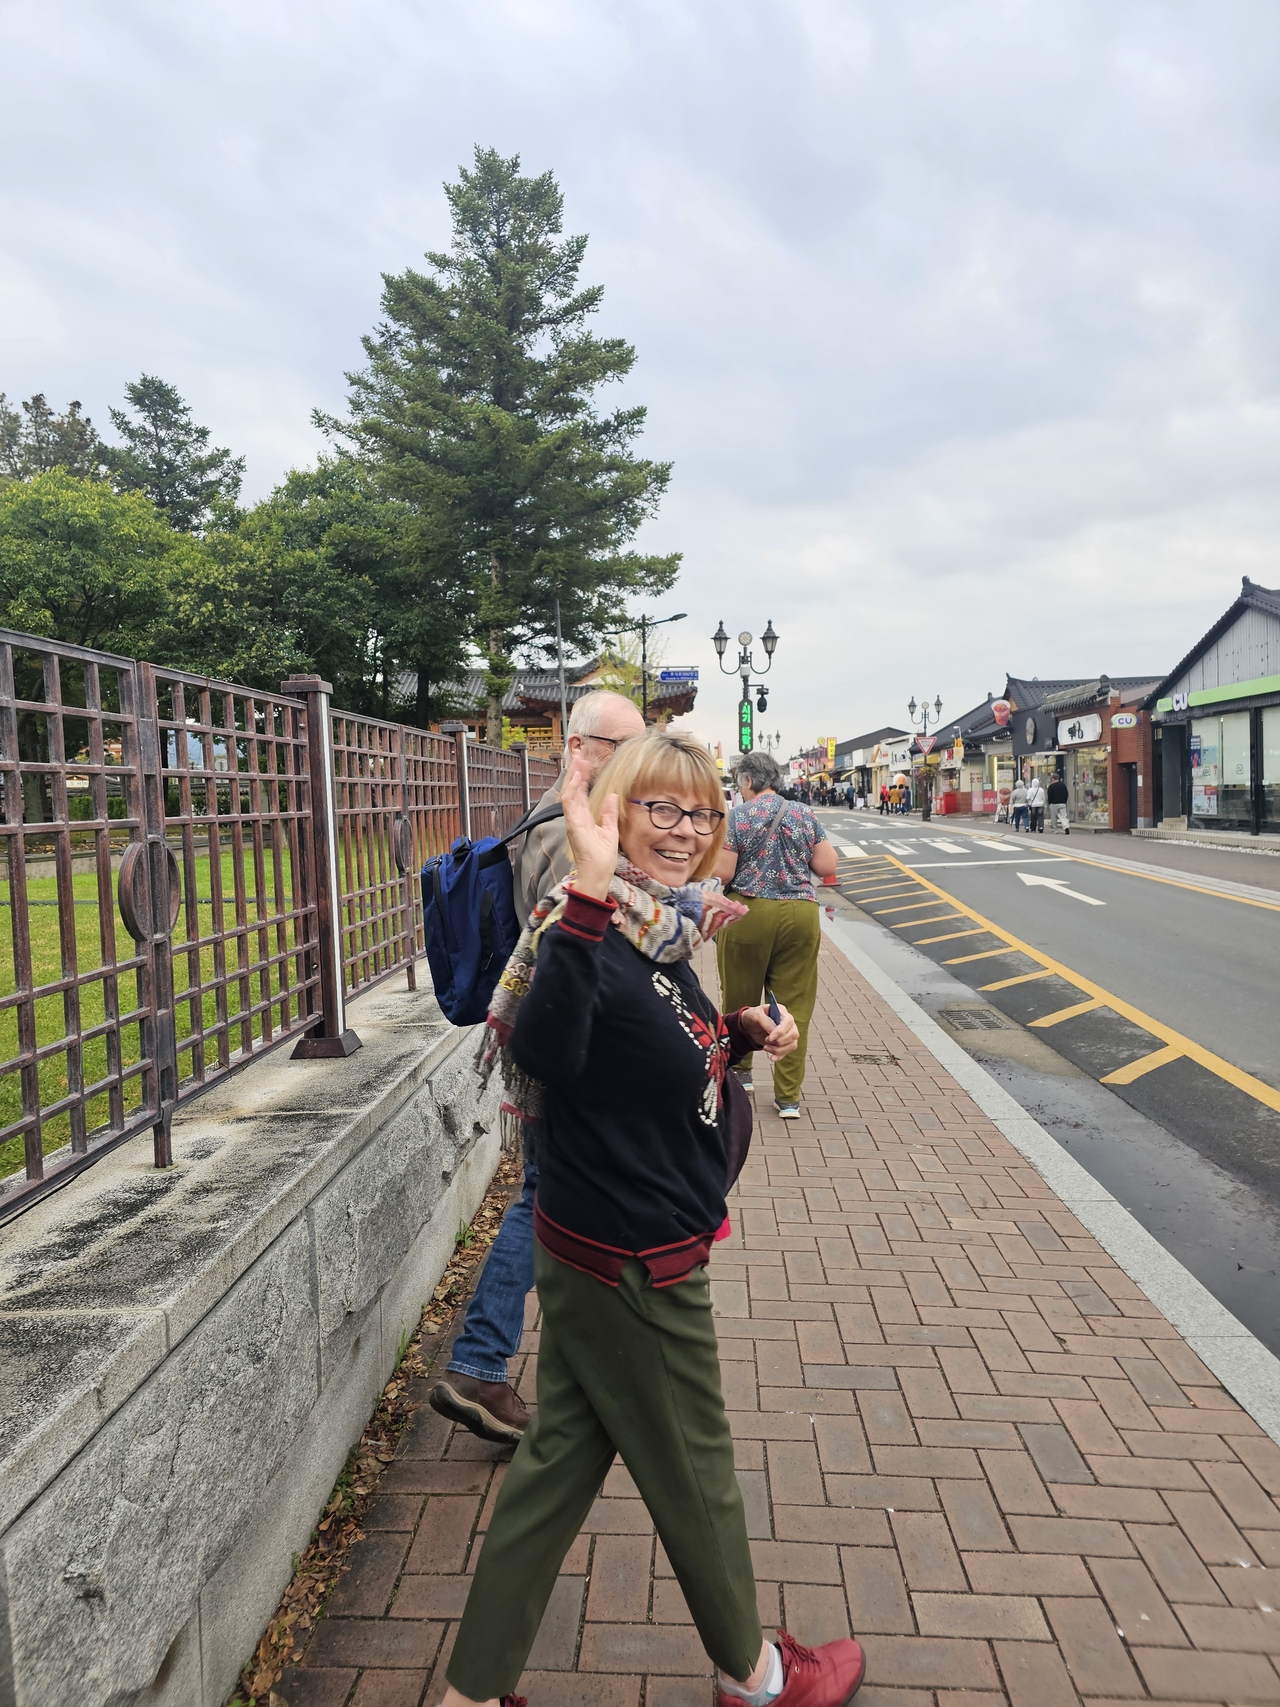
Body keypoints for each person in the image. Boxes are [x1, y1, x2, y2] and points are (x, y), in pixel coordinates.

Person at [441, 733, 865, 1707]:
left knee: (553, 1470)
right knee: (698, 1472)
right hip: (633, 1259)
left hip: (603, 1242)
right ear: (618, 813)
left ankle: (470, 1694)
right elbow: (550, 1046)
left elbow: (643, 1047)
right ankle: (757, 1680)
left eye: (702, 813)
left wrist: (735, 1033)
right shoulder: (588, 925)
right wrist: (588, 886)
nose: (684, 831)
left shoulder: (657, 929)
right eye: (661, 809)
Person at [429, 690, 646, 1447]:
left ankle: (496, 1363)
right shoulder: (568, 835)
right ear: (579, 750)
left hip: (559, 1049)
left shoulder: (560, 822)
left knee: (547, 1198)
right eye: (624, 745)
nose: (638, 760)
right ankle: (481, 1363)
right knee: (545, 1201)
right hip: (569, 1055)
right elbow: (578, 956)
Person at [715, 750, 837, 1120]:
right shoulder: (803, 813)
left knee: (739, 996)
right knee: (795, 1004)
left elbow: (723, 873)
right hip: (800, 915)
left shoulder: (738, 817)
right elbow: (827, 866)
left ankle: (741, 1076)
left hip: (748, 914)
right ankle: (788, 1098)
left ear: (749, 782)